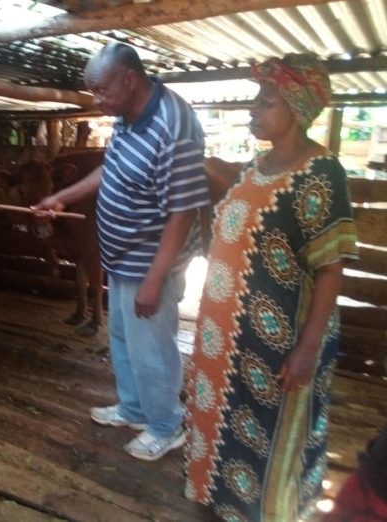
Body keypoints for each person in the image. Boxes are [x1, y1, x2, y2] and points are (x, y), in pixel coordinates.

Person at [184, 54, 359, 521]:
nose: (253, 110)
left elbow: (330, 267)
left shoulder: (321, 172)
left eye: (266, 102)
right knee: (226, 416)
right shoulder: (255, 166)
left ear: (298, 108)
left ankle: (271, 511)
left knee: (273, 429)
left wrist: (308, 346)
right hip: (227, 337)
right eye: (255, 101)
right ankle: (223, 499)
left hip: (280, 340)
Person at [33, 43, 209, 461]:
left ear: (130, 79)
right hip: (122, 257)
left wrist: (154, 279)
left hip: (151, 263)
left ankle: (167, 426)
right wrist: (61, 197)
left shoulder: (174, 125)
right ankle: (133, 408)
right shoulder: (129, 116)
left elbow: (182, 213)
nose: (96, 101)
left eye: (101, 90)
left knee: (152, 346)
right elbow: (110, 168)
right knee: (124, 338)